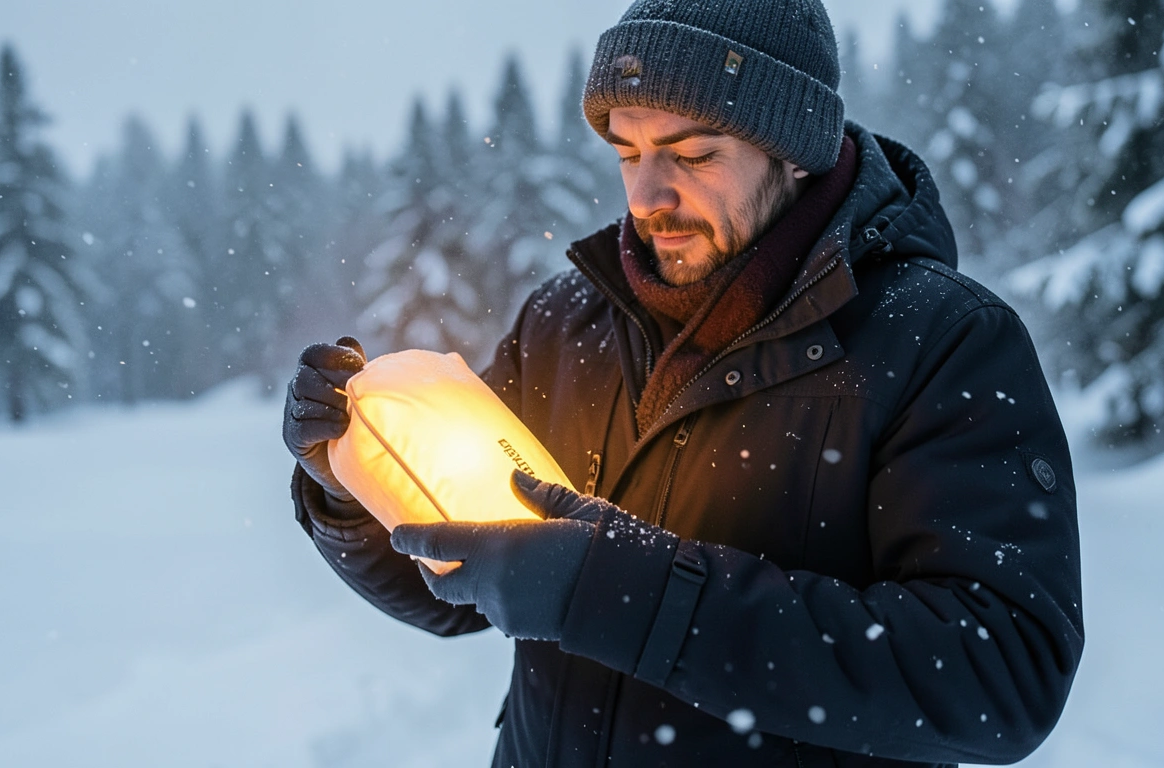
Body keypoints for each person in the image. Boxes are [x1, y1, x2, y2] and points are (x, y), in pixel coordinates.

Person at [282, 1, 1084, 765]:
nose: (646, 197)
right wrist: (354, 487)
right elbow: (463, 582)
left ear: (794, 151)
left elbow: (1001, 673)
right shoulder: (568, 321)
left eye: (693, 154)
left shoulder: (939, 341)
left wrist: (617, 590)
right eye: (627, 152)